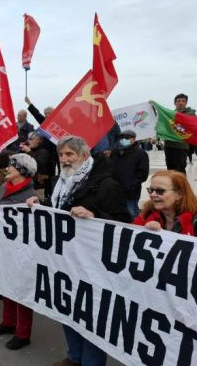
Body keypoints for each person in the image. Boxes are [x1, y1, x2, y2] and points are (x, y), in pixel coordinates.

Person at [26, 136, 131, 366]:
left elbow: (124, 223)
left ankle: (91, 362)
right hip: (64, 259)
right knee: (67, 308)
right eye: (61, 155)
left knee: (90, 315)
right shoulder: (58, 183)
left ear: (83, 156)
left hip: (93, 263)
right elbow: (58, 211)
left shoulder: (106, 184)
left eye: (69, 155)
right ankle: (74, 357)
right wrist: (40, 205)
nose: (64, 159)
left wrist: (94, 217)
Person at [0, 153, 38, 350]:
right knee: (6, 284)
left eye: (12, 166)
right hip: (3, 246)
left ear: (22, 171)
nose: (7, 169)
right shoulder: (4, 187)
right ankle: (8, 322)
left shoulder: (29, 196)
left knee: (21, 290)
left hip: (21, 250)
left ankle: (23, 333)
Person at [134, 170, 197, 234]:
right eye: (151, 190)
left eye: (160, 191)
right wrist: (145, 230)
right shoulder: (146, 214)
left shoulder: (194, 221)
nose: (152, 195)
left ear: (179, 195)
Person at [110, 129, 150, 218]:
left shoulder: (141, 154)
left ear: (134, 139)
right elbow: (110, 168)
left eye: (127, 137)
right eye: (122, 137)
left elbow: (143, 174)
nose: (124, 139)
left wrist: (131, 186)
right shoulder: (115, 152)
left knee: (131, 214)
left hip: (130, 193)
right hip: (115, 191)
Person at [164, 93, 195, 174]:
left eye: (183, 101)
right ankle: (172, 186)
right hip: (169, 145)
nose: (181, 102)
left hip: (181, 146)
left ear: (186, 103)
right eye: (178, 101)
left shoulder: (191, 114)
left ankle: (181, 186)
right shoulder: (169, 114)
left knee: (180, 169)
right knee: (170, 169)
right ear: (175, 103)